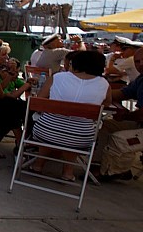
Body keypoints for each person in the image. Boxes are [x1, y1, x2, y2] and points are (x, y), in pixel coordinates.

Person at [30, 50, 111, 181]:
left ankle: (38, 164)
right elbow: (107, 103)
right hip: (81, 137)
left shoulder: (58, 77)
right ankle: (68, 171)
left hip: (46, 131)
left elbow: (40, 99)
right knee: (74, 130)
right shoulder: (103, 84)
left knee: (54, 125)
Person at [95, 47, 143, 181]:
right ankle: (98, 164)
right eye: (137, 61)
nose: (141, 64)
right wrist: (98, 93)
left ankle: (115, 171)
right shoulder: (141, 79)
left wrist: (126, 116)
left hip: (140, 122)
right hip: (139, 124)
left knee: (120, 139)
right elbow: (122, 93)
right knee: (106, 126)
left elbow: (141, 114)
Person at [0, 57, 34, 152]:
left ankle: (20, 140)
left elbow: (19, 84)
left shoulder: (9, 79)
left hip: (0, 105)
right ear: (2, 71)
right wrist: (25, 86)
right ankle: (23, 140)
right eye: (10, 71)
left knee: (15, 111)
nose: (14, 74)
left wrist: (27, 83)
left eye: (16, 71)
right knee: (22, 109)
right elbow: (9, 96)